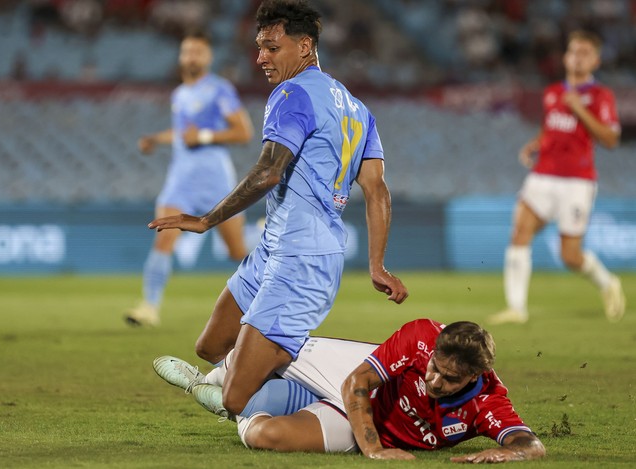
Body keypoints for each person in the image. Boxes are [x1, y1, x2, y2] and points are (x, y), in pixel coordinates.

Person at [148, 0, 408, 417]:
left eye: (272, 47)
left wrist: (206, 220)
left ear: (305, 46)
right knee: (211, 346)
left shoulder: (291, 93)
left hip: (301, 260)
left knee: (234, 401)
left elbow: (269, 172)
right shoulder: (357, 109)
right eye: (258, 47)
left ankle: (349, 398)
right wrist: (376, 265)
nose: (260, 58)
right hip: (276, 247)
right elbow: (377, 191)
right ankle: (259, 364)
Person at [154, 319, 546, 463]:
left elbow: (530, 444)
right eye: (434, 369)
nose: (434, 382)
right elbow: (357, 382)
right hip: (362, 375)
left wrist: (507, 454)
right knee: (273, 351)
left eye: (450, 380)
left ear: (477, 376)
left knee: (266, 436)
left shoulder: (487, 402)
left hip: (366, 420)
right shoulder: (421, 337)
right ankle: (207, 380)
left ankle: (233, 411)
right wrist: (375, 451)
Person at [490, 30, 625, 325]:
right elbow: (550, 127)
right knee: (520, 232)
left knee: (570, 256)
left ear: (596, 60)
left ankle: (608, 283)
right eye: (573, 51)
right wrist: (535, 144)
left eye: (585, 52)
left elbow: (611, 139)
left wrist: (580, 109)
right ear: (565, 57)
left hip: (577, 181)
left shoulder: (600, 96)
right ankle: (516, 309)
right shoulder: (553, 92)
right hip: (542, 176)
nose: (577, 57)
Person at [126, 30, 254, 327]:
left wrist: (206, 135)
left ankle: (265, 301)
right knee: (163, 237)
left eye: (197, 52)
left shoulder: (219, 89)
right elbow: (184, 135)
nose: (191, 57)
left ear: (208, 57)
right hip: (181, 179)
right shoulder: (180, 93)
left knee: (237, 251)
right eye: (187, 52)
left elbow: (243, 132)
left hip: (215, 180)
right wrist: (155, 139)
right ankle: (149, 306)